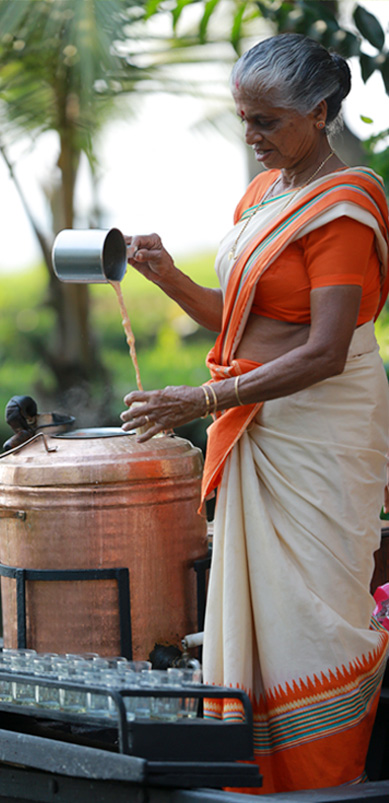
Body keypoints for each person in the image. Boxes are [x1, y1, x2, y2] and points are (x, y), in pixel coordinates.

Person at [120, 33, 389, 793]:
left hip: (321, 427)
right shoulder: (261, 194)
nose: (250, 136)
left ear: (320, 110)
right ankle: (253, 780)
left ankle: (321, 781)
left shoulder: (340, 206)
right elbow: (243, 323)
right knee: (256, 616)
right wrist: (168, 276)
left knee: (313, 618)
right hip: (264, 416)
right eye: (243, 118)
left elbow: (326, 350)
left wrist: (201, 399)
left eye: (266, 121)